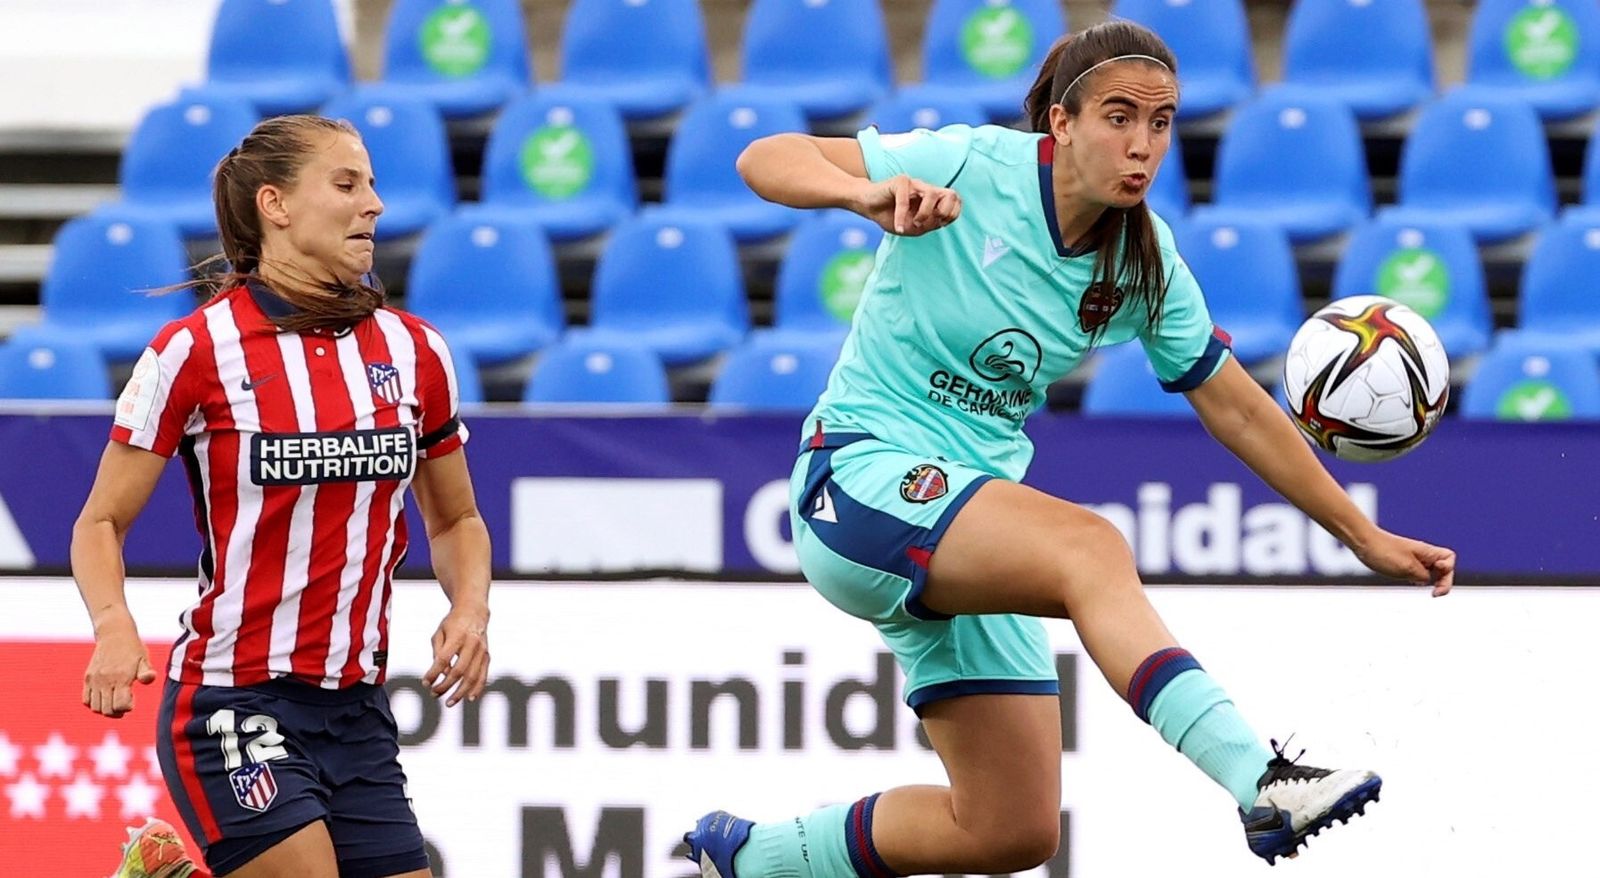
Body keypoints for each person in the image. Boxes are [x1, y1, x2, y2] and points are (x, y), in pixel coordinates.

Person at [684, 20, 1456, 875]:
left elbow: (1238, 411)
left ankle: (751, 860)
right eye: (1118, 117)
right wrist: (862, 195)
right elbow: (764, 157)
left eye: (1160, 124)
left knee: (1008, 830)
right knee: (1090, 548)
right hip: (859, 476)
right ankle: (1259, 780)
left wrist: (1362, 535)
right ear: (1061, 122)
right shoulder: (971, 166)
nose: (1142, 145)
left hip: (956, 520)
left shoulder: (1146, 262)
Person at [73, 114, 492, 878]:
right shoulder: (194, 352)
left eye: (371, 184)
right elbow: (100, 520)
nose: (375, 204)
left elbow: (457, 517)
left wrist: (470, 608)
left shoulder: (415, 350)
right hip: (234, 700)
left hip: (358, 709)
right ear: (276, 205)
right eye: (347, 184)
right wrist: (112, 624)